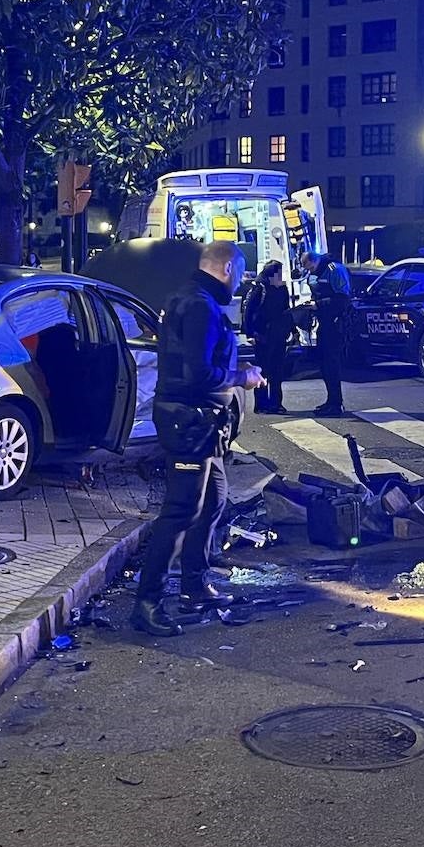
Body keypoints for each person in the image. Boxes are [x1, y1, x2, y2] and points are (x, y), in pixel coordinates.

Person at [132, 241, 264, 637]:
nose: (238, 284)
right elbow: (197, 374)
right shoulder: (201, 305)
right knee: (181, 510)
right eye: (239, 275)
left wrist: (235, 367)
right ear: (225, 268)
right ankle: (147, 603)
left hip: (200, 424)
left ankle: (194, 582)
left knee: (214, 500)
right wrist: (244, 377)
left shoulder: (191, 299)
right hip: (188, 422)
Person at [300, 250, 352, 417]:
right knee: (324, 363)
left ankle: (336, 404)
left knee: (332, 364)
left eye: (309, 267)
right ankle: (331, 401)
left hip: (337, 324)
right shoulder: (318, 271)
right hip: (325, 322)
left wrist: (319, 304)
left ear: (314, 261)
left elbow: (343, 300)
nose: (309, 271)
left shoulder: (334, 270)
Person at [243, 260, 292, 414]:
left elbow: (286, 310)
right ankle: (262, 404)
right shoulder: (259, 287)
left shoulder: (282, 288)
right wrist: (250, 333)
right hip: (262, 334)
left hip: (278, 334)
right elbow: (249, 311)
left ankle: (276, 403)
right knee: (263, 370)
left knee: (277, 370)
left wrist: (292, 329)